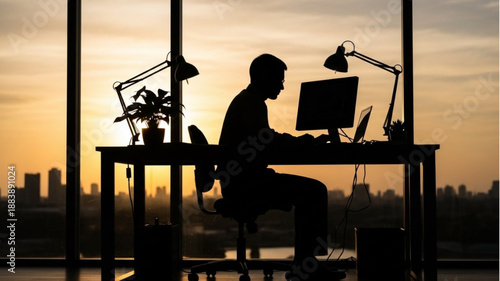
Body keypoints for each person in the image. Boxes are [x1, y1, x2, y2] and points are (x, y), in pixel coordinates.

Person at [217, 54, 345, 281]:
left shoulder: (250, 101)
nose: (282, 87)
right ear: (264, 77)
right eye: (280, 79)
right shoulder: (251, 103)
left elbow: (266, 139)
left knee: (309, 191)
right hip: (246, 185)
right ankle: (306, 266)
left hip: (244, 180)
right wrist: (304, 141)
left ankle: (305, 264)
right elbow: (267, 140)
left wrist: (299, 141)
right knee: (313, 191)